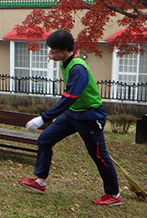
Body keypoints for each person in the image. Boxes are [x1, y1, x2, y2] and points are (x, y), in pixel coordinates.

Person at [18, 29, 121, 206]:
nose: (51, 53)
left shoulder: (78, 69)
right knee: (45, 140)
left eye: (54, 50)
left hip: (90, 116)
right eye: (50, 49)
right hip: (74, 114)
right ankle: (40, 182)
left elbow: (68, 98)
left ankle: (114, 195)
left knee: (98, 155)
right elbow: (70, 102)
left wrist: (43, 118)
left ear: (65, 50)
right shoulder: (65, 62)